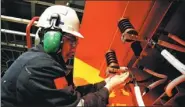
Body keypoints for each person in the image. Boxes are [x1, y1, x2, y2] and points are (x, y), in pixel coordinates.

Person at [1, 5, 130, 107]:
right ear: (53, 37)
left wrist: (105, 83)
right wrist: (109, 88)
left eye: (76, 42)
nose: (75, 48)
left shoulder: (39, 61)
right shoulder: (41, 68)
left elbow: (69, 93)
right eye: (72, 40)